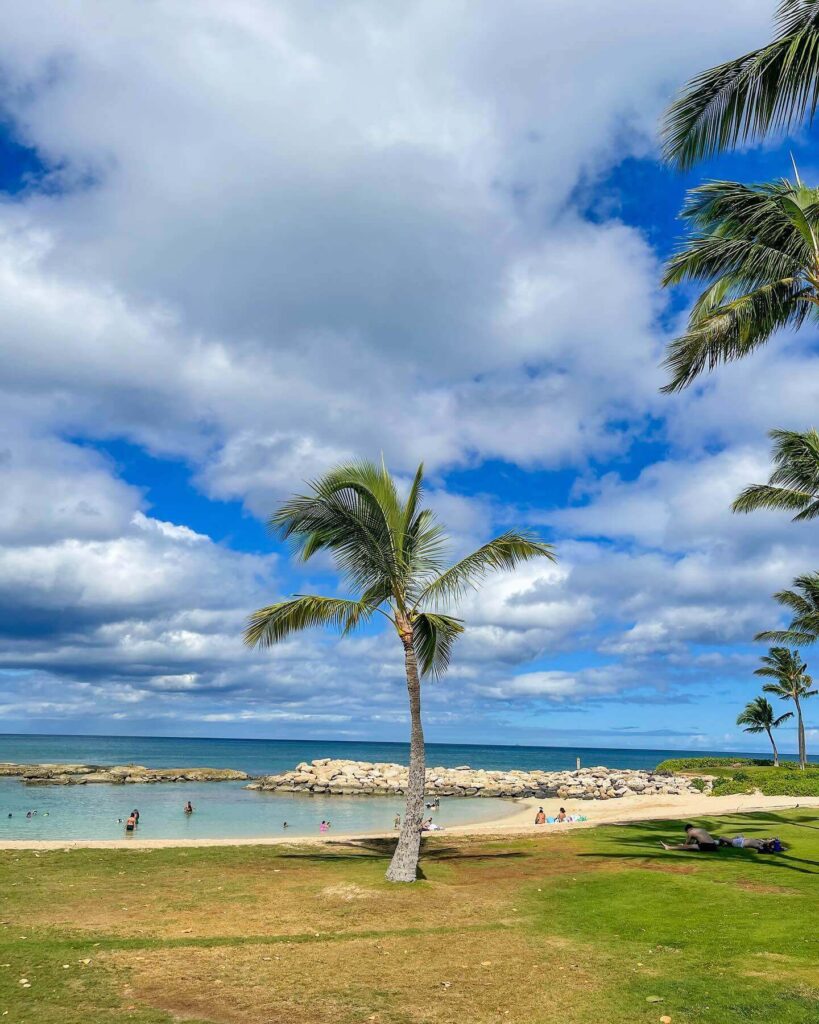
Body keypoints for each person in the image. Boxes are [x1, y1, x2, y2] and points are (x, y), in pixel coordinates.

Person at [717, 835, 785, 853]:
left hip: (740, 843)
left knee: (722, 837)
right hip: (742, 840)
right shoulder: (761, 842)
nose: (769, 839)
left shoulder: (761, 845)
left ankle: (720, 843)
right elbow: (767, 843)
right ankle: (723, 844)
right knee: (739, 835)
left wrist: (773, 840)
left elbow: (766, 843)